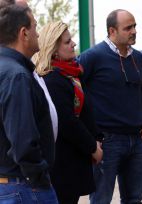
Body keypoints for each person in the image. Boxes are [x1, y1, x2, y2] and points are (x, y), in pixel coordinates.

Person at [78, 9, 142, 204]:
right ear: (112, 31)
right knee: (101, 200)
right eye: (128, 28)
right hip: (107, 141)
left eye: (135, 26)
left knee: (134, 200)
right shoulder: (92, 56)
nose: (134, 31)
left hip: (136, 141)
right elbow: (73, 90)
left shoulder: (138, 57)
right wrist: (89, 133)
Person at [32, 21, 104, 204]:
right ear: (54, 49)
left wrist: (97, 138)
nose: (73, 44)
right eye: (67, 41)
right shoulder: (53, 79)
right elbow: (67, 122)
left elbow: (86, 112)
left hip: (74, 159)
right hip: (63, 164)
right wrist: (92, 147)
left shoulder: (70, 74)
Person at [0, 4, 58, 203]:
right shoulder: (17, 76)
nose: (38, 33)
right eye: (35, 26)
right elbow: (23, 141)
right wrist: (40, 178)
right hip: (23, 186)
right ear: (23, 33)